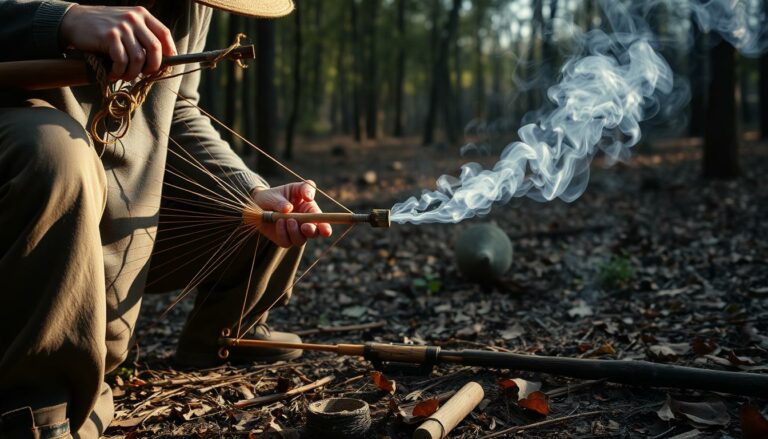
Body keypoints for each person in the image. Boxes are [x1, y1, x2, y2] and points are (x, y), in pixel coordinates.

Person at [0, 1, 324, 437]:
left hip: (104, 212)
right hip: (27, 192)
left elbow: (178, 109)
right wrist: (61, 21)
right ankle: (37, 410)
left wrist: (248, 190)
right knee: (55, 153)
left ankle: (226, 335)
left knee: (259, 209)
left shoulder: (193, 5)